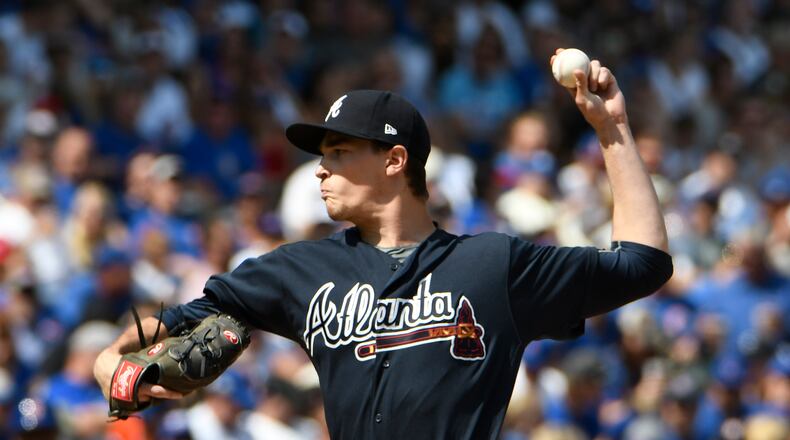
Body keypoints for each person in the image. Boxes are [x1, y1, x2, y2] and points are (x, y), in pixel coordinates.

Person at [94, 49, 673, 439]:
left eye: (340, 153)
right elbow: (176, 322)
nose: (321, 169)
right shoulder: (300, 268)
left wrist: (612, 130)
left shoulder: (493, 265)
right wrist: (112, 362)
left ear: (395, 160)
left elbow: (642, 263)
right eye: (323, 156)